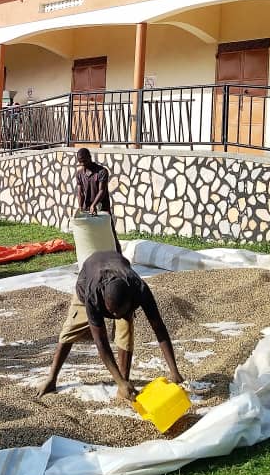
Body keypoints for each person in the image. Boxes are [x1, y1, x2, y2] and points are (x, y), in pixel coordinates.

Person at [37, 250, 183, 402]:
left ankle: (124, 385)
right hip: (88, 277)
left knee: (125, 334)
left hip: (118, 277)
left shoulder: (140, 289)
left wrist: (174, 371)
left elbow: (159, 327)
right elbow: (101, 343)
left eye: (119, 313)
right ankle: (51, 379)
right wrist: (117, 381)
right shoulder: (92, 295)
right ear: (105, 304)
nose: (115, 317)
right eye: (112, 313)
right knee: (69, 330)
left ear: (130, 301)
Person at [75, 148, 111, 216]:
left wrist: (94, 205)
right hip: (87, 208)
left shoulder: (102, 171)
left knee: (105, 226)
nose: (83, 164)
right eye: (80, 162)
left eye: (84, 161)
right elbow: (80, 193)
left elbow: (102, 190)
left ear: (90, 157)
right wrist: (80, 207)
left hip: (102, 208)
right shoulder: (79, 174)